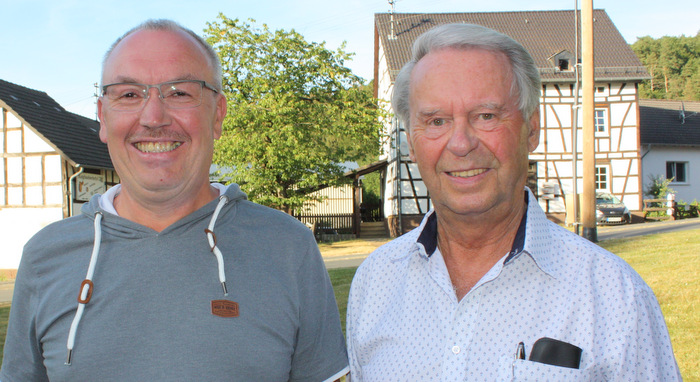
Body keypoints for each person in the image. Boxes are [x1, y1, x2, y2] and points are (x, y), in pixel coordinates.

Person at [1, 19, 348, 382]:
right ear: (102, 117)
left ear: (217, 115)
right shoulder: (45, 257)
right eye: (129, 94)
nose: (153, 118)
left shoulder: (288, 247)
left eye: (179, 92)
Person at [346, 23, 681, 381]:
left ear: (531, 129)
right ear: (412, 144)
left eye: (486, 116)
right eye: (437, 121)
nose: (461, 144)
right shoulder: (374, 283)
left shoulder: (615, 296)